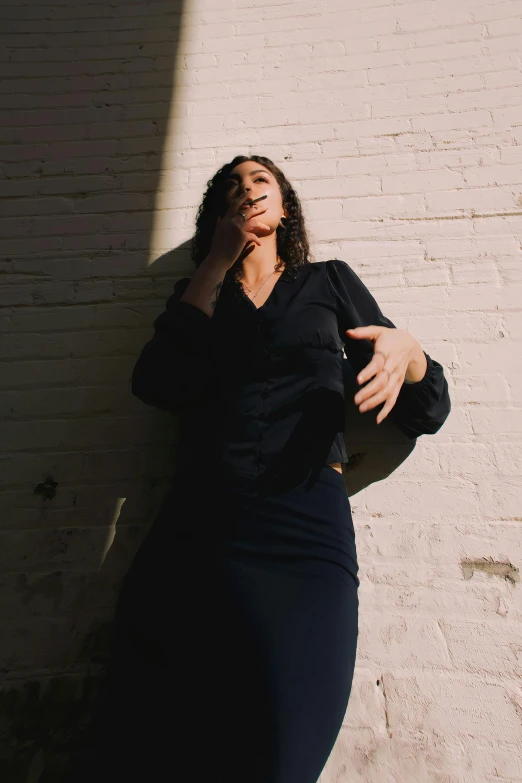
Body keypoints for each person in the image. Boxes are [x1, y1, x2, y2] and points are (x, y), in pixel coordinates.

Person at [73, 156, 450, 783]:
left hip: (305, 532)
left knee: (285, 754)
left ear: (284, 207)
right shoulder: (200, 296)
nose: (246, 193)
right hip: (199, 531)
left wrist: (407, 348)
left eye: (260, 182)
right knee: (163, 750)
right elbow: (157, 381)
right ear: (219, 216)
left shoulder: (327, 283)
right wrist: (214, 264)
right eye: (231, 189)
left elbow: (428, 408)